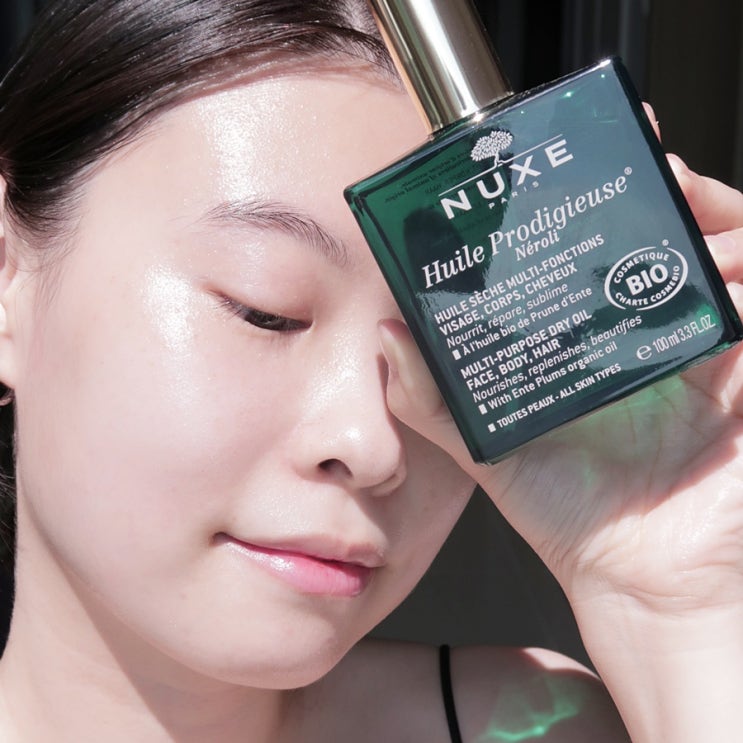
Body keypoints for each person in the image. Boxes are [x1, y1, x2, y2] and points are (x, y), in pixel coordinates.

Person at [0, 1, 741, 740]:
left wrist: (678, 609)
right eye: (266, 311)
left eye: (447, 346)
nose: (371, 445)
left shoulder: (539, 727)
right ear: (7, 273)